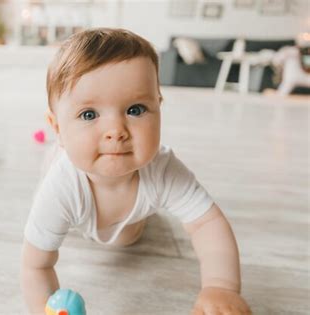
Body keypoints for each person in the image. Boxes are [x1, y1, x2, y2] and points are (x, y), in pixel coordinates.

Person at [21, 28, 251, 315]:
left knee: (127, 237)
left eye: (136, 109)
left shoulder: (163, 169)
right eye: (89, 114)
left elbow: (207, 224)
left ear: (159, 108)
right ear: (56, 128)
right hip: (71, 193)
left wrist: (221, 286)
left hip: (129, 213)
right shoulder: (60, 187)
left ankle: (129, 219)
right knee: (67, 226)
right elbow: (36, 264)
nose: (116, 131)